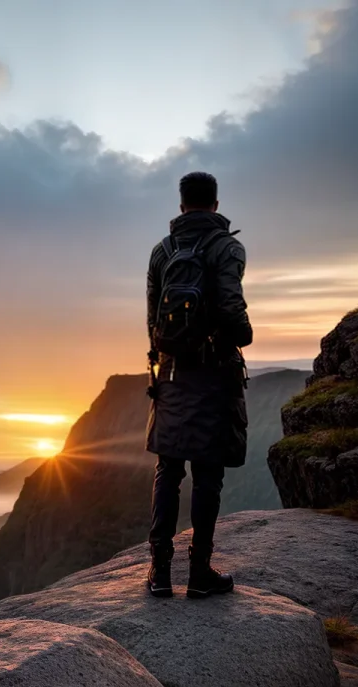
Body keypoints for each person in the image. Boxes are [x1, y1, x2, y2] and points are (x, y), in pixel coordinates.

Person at [145, 171, 253, 599]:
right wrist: (242, 333)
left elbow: (153, 317)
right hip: (214, 371)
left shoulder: (162, 251)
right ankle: (200, 572)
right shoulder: (226, 247)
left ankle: (159, 571)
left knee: (168, 470)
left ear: (181, 204)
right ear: (215, 202)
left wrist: (163, 355)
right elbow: (231, 307)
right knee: (208, 472)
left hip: (172, 372)